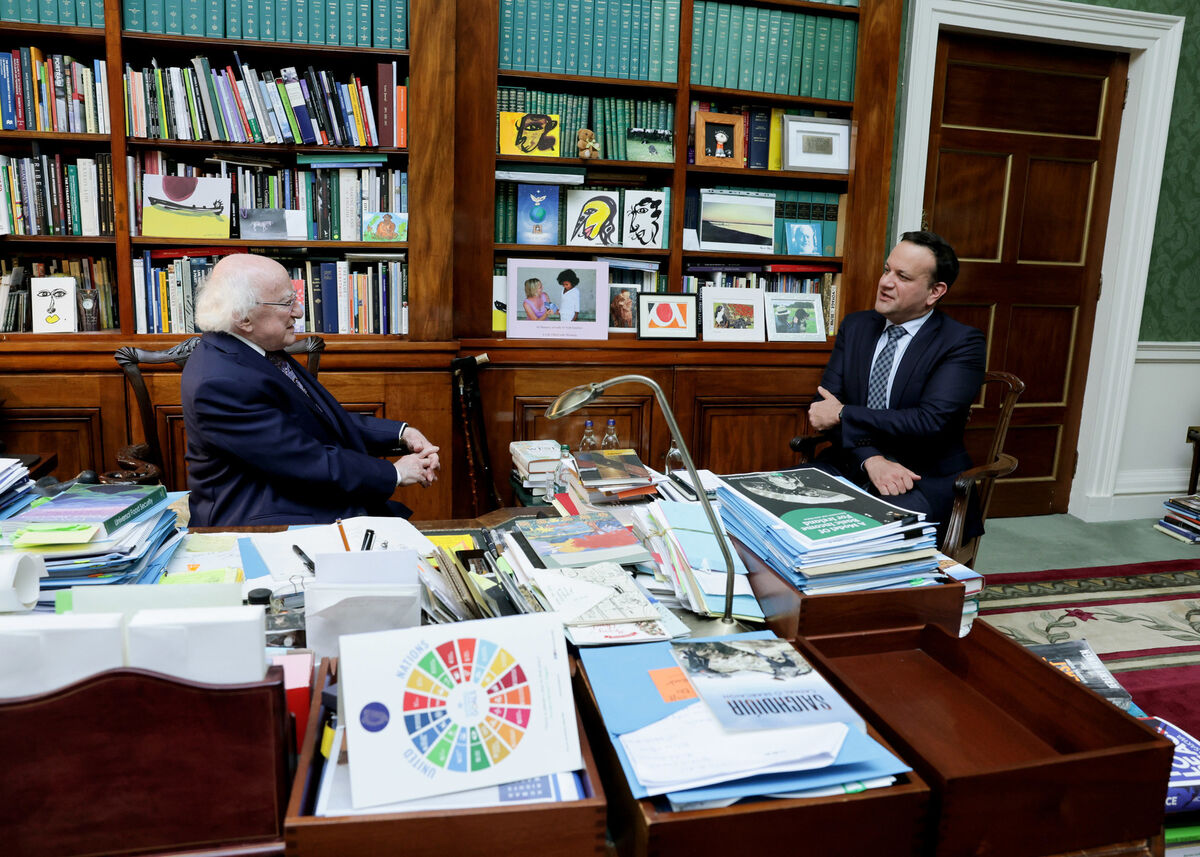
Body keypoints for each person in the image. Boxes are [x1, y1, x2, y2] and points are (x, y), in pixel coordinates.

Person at [181, 253, 440, 527]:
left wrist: (401, 434)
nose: (299, 312)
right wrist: (395, 473)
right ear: (243, 317)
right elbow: (303, 459)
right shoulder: (220, 381)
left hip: (294, 495)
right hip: (259, 518)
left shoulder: (253, 348)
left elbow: (318, 420)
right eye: (286, 303)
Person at [806, 230, 986, 541]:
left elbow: (929, 421)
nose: (886, 282)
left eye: (902, 276)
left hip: (922, 476)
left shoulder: (961, 342)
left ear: (934, 292)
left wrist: (846, 413)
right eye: (887, 269)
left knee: (870, 541)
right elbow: (824, 409)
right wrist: (871, 460)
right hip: (852, 462)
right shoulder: (857, 326)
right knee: (777, 511)